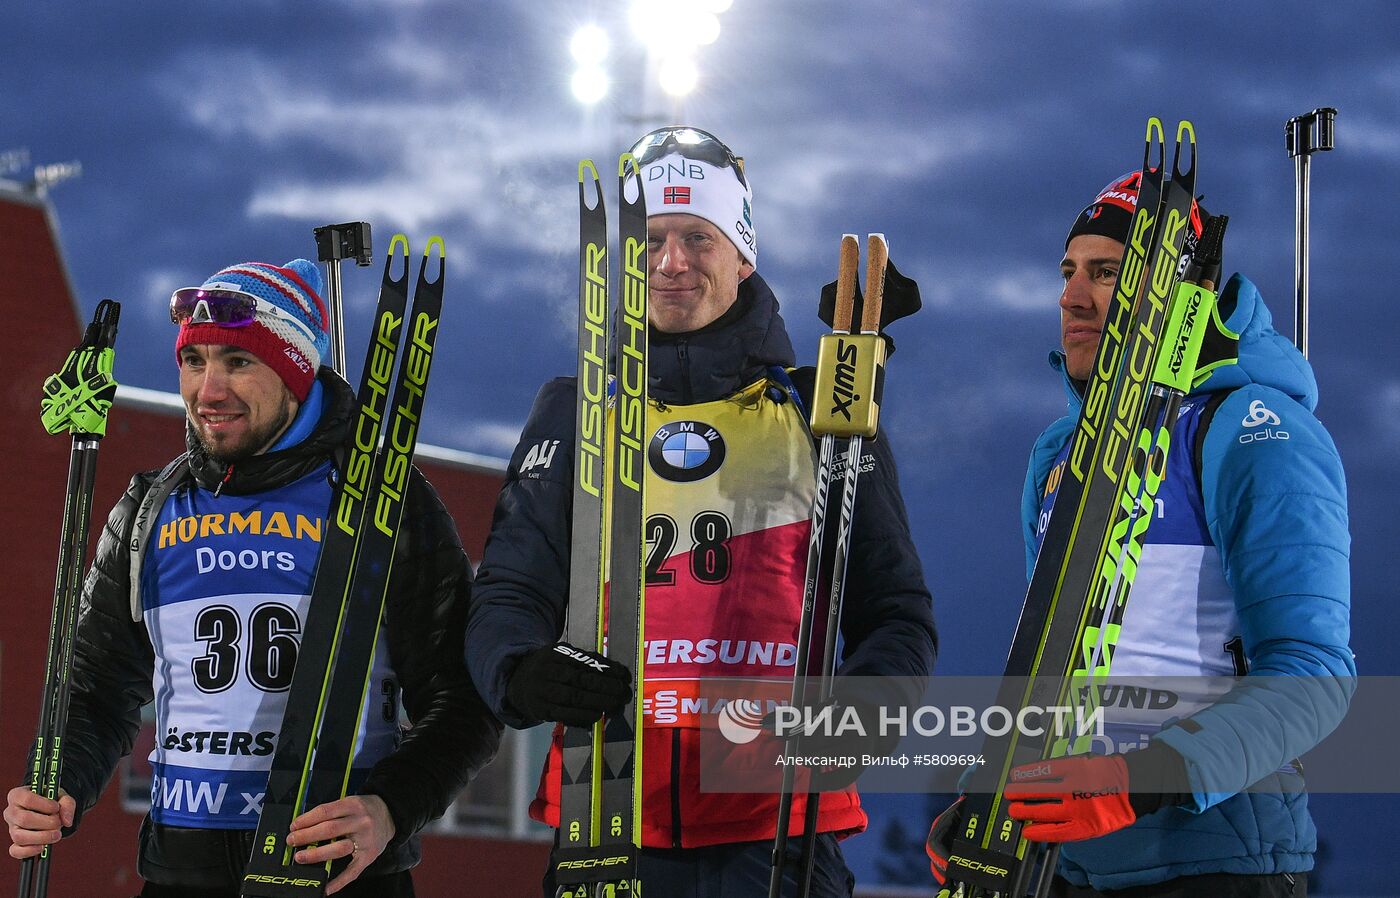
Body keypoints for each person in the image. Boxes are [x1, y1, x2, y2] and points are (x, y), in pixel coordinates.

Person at [465, 125, 936, 896]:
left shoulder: (822, 410)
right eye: (649, 241)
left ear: (743, 252)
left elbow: (897, 614)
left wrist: (861, 712)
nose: (671, 262)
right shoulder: (576, 409)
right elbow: (511, 589)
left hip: (776, 831)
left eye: (697, 237)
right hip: (607, 807)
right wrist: (518, 671)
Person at [4, 260, 501, 897]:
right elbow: (97, 691)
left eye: (238, 361)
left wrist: (391, 808)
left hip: (337, 874)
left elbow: (465, 698)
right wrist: (60, 783)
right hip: (183, 869)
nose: (208, 391)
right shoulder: (149, 509)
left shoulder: (383, 502)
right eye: (194, 362)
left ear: (295, 370)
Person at [927, 171, 1354, 897]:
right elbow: (1051, 658)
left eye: (1105, 273)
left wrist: (1138, 780)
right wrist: (988, 796)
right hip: (1064, 864)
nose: (1071, 296)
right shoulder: (1059, 454)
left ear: (1170, 293)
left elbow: (1314, 674)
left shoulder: (1254, 429)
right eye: (1067, 272)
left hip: (1213, 864)